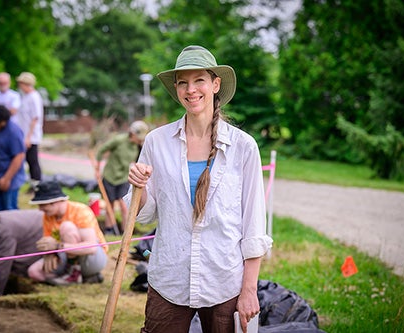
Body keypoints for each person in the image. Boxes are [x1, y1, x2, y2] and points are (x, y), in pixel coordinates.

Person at [125, 45, 273, 333]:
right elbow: (143, 215)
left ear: (215, 84)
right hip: (170, 277)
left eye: (199, 81)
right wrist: (139, 185)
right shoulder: (156, 142)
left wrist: (249, 289)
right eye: (183, 82)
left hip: (224, 280)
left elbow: (253, 225)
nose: (190, 90)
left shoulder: (243, 147)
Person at [27, 180, 108, 285]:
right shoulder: (47, 216)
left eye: (42, 204)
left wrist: (57, 246)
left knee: (66, 227)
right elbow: (49, 241)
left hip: (92, 259)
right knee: (34, 272)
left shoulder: (80, 210)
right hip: (66, 255)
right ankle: (76, 278)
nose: (40, 209)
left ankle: (76, 274)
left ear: (55, 201)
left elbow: (91, 247)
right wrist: (49, 253)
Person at [94, 120, 149, 234]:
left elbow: (140, 161)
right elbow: (101, 151)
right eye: (138, 137)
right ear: (132, 133)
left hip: (124, 178)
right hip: (110, 176)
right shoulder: (119, 140)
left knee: (124, 206)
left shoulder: (138, 146)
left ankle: (125, 231)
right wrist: (97, 170)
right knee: (110, 206)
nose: (140, 140)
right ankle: (109, 230)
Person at [16, 72, 44, 191]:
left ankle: (37, 185)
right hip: (24, 134)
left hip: (31, 135)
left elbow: (35, 118)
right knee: (28, 159)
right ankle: (32, 183)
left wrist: (28, 137)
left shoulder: (34, 97)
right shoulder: (25, 97)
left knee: (33, 160)